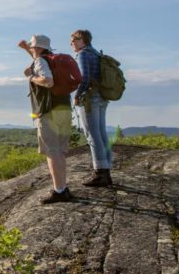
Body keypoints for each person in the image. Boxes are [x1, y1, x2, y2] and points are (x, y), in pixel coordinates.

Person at [18, 34, 73, 204]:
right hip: (63, 109)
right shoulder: (51, 59)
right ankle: (63, 187)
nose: (32, 50)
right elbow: (38, 60)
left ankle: (59, 191)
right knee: (61, 151)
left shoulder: (41, 62)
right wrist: (27, 50)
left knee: (52, 151)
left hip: (48, 112)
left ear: (38, 48)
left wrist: (31, 77)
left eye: (33, 47)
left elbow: (48, 81)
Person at [71, 29, 112, 186]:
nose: (71, 44)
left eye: (73, 41)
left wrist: (76, 95)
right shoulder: (96, 53)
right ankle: (106, 170)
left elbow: (85, 78)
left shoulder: (83, 54)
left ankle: (100, 173)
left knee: (92, 135)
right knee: (101, 133)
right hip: (102, 97)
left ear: (81, 39)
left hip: (90, 98)